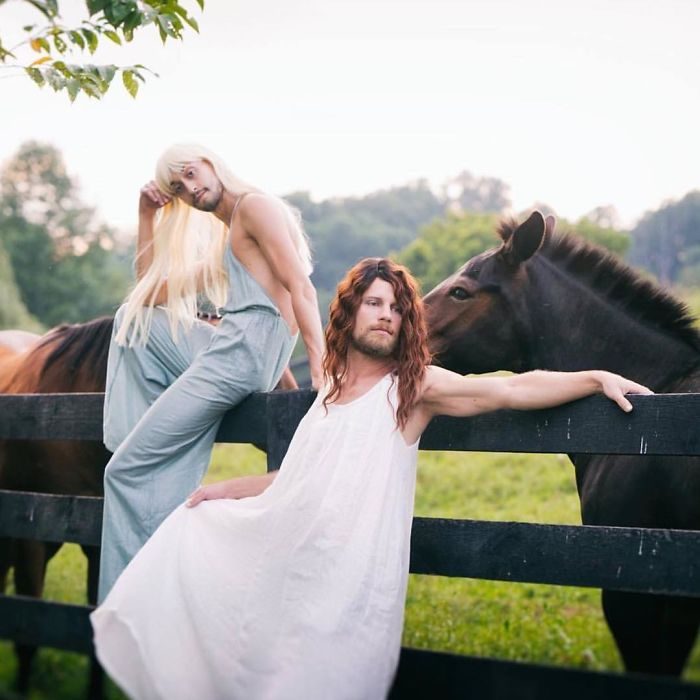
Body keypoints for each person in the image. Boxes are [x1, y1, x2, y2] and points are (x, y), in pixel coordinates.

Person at [91, 258, 651, 699]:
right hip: (294, 576)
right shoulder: (328, 395)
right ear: (350, 314)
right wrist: (218, 492)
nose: (386, 313)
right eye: (373, 303)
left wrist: (593, 377)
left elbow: (508, 389)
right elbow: (296, 479)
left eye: (396, 307)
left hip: (351, 592)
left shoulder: (412, 390)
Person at [97, 143, 325, 602]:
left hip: (242, 355)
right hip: (233, 349)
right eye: (179, 188)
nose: (191, 188)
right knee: (130, 319)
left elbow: (300, 285)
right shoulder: (228, 238)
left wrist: (321, 374)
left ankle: (135, 599)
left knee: (123, 471)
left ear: (210, 162)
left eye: (190, 173)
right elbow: (147, 292)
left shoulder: (255, 207)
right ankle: (139, 440)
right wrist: (147, 215)